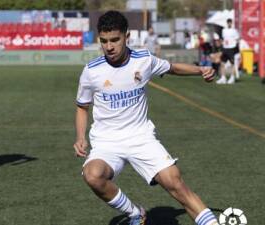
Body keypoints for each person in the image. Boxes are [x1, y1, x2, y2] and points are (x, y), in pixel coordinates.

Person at [74, 11, 219, 225]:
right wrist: (80, 137)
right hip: (107, 142)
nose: (109, 46)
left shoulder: (144, 60)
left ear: (127, 36)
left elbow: (173, 68)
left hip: (141, 137)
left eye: (115, 40)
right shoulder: (91, 71)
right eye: (104, 41)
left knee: (175, 183)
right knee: (92, 175)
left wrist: (201, 70)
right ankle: (135, 213)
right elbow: (82, 107)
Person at [217, 18, 240, 84]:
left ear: (231, 23)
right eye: (228, 22)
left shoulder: (234, 31)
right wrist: (221, 45)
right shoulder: (224, 30)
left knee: (233, 64)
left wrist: (235, 48)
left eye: (230, 22)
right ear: (227, 23)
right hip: (225, 48)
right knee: (222, 63)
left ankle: (232, 78)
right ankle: (223, 78)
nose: (229, 24)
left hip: (231, 48)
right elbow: (222, 39)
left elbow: (237, 39)